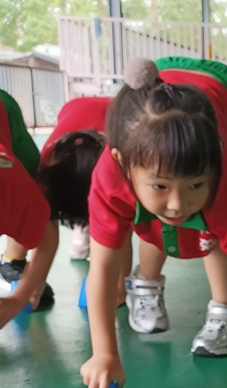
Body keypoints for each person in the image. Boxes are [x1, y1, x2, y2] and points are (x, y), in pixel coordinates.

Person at [81, 56, 227, 388]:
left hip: (220, 91)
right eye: (160, 186)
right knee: (154, 219)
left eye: (195, 184)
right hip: (157, 96)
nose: (179, 204)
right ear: (120, 163)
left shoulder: (224, 183)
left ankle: (226, 307)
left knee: (215, 228)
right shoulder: (110, 178)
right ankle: (146, 280)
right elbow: (101, 267)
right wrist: (104, 353)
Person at [0, 95, 133, 305]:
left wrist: (119, 289)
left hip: (118, 114)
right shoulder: (44, 165)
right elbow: (47, 230)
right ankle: (82, 229)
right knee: (49, 207)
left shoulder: (120, 164)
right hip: (75, 110)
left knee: (112, 218)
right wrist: (33, 287)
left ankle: (89, 225)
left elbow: (121, 232)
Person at [0, 115, 58, 328]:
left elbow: (47, 234)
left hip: (11, 127)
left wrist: (20, 297)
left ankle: (12, 260)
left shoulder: (12, 183)